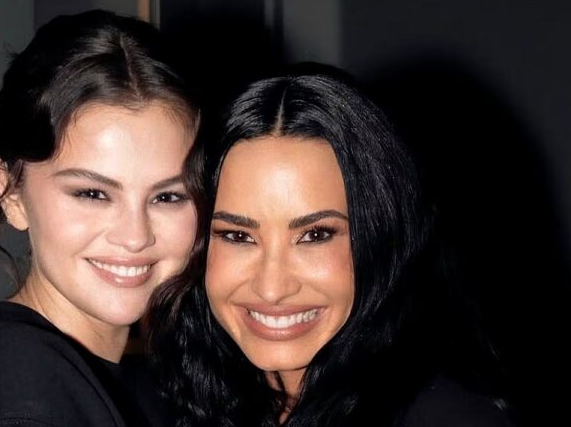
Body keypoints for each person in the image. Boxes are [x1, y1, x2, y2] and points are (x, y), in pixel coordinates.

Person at [149, 68, 514, 426]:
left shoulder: (448, 416)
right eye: (238, 236)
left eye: (315, 235)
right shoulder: (172, 400)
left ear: (379, 240)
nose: (272, 288)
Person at [0, 9, 201, 427]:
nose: (135, 237)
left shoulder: (138, 384)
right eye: (92, 194)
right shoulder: (21, 401)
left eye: (167, 196)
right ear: (11, 192)